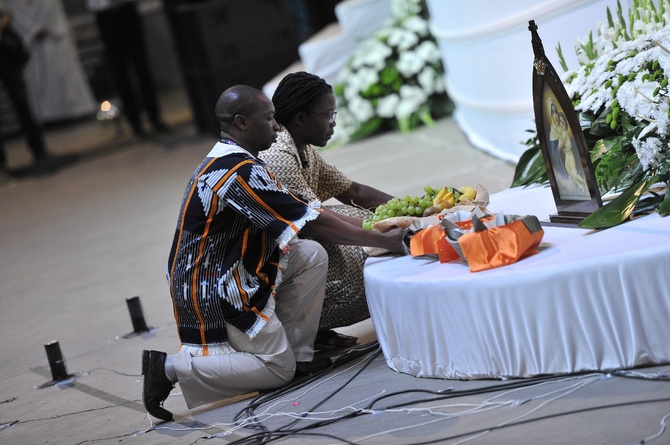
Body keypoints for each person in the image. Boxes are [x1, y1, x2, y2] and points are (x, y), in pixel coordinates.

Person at [142, 85, 405, 421]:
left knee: (308, 254)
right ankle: (169, 367)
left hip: (229, 270)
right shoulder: (239, 171)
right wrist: (387, 241)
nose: (277, 126)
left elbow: (306, 212)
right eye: (268, 119)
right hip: (213, 287)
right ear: (241, 123)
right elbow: (314, 221)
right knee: (275, 371)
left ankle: (299, 358)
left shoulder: (239, 159)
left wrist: (376, 229)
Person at [258, 71, 394, 349]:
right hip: (268, 266)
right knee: (364, 257)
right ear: (300, 118)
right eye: (327, 115)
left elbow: (354, 193)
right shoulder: (278, 155)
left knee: (363, 217)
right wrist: (383, 237)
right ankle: (298, 330)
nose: (333, 123)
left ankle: (313, 332)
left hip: (294, 244)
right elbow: (315, 222)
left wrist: (419, 210)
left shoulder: (303, 148)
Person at [7, 0, 96, 124]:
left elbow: (53, 9)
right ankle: (47, 117)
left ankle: (75, 112)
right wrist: (33, 30)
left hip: (53, 37)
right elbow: (13, 13)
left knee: (62, 74)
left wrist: (47, 27)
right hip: (32, 43)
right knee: (40, 79)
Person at [86, 0, 167, 137]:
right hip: (105, 13)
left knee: (141, 66)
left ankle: (155, 117)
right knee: (119, 71)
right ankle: (135, 123)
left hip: (126, 8)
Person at [0, 1, 48, 174]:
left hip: (4, 50)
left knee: (21, 100)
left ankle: (38, 148)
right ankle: (2, 162)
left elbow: (7, 13)